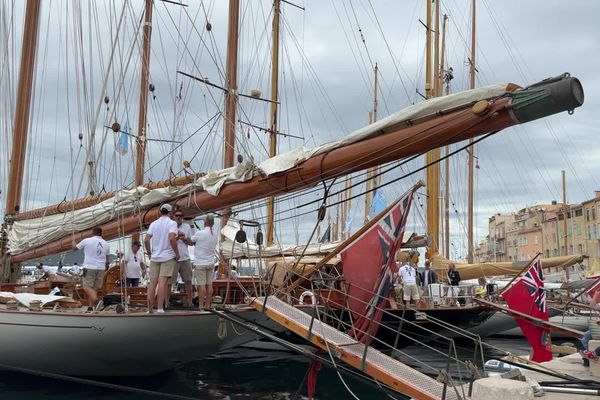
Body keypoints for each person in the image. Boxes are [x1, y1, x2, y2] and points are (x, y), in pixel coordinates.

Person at [144, 204, 180, 313]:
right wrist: (177, 253)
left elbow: (146, 240)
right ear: (170, 213)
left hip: (155, 257)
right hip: (167, 256)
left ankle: (150, 309)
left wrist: (150, 253)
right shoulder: (172, 223)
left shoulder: (154, 224)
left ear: (160, 212)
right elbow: (171, 238)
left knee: (152, 283)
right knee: (162, 282)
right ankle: (160, 308)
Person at [72, 227, 110, 310]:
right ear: (101, 233)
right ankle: (90, 307)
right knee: (94, 289)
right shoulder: (106, 244)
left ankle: (96, 301)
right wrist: (106, 267)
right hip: (101, 268)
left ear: (93, 233)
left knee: (86, 287)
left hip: (89, 267)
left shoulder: (87, 241)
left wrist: (73, 241)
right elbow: (107, 259)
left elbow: (74, 248)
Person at [191, 215, 218, 310]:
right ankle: (208, 305)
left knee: (201, 285)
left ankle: (201, 306)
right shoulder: (215, 233)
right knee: (209, 285)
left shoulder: (200, 233)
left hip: (200, 263)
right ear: (213, 223)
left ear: (205, 222)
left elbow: (191, 241)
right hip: (210, 263)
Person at [170, 210, 194, 308]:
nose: (178, 217)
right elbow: (168, 242)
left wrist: (184, 238)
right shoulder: (170, 227)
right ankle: (166, 303)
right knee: (169, 282)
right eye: (177, 215)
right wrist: (176, 238)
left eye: (180, 215)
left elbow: (191, 243)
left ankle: (190, 302)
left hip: (184, 258)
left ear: (182, 217)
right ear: (173, 217)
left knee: (188, 281)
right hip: (172, 258)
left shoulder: (187, 227)